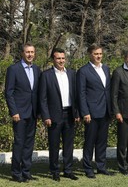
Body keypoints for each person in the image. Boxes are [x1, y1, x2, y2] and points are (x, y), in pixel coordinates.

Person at [39, 48, 80, 181]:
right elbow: (43, 98)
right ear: (53, 60)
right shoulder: (46, 75)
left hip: (69, 114)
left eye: (63, 58)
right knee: (54, 144)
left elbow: (76, 96)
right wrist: (46, 116)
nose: (61, 61)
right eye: (58, 58)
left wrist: (77, 112)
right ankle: (54, 171)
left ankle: (68, 170)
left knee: (69, 144)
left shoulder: (72, 74)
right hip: (54, 115)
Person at [5, 43, 41, 182]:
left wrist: (38, 112)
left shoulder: (37, 69)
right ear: (22, 53)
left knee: (29, 144)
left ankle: (26, 171)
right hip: (19, 113)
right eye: (27, 52)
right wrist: (14, 111)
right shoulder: (13, 69)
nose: (30, 54)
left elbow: (37, 93)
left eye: (32, 52)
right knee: (19, 143)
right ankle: (16, 172)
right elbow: (9, 93)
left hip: (32, 113)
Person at [76, 45, 112, 178]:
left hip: (105, 111)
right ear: (90, 54)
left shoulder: (106, 69)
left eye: (100, 54)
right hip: (91, 112)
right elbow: (81, 93)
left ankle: (101, 166)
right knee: (90, 141)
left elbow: (107, 90)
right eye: (96, 54)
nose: (98, 56)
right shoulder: (83, 71)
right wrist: (85, 112)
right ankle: (87, 167)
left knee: (102, 141)